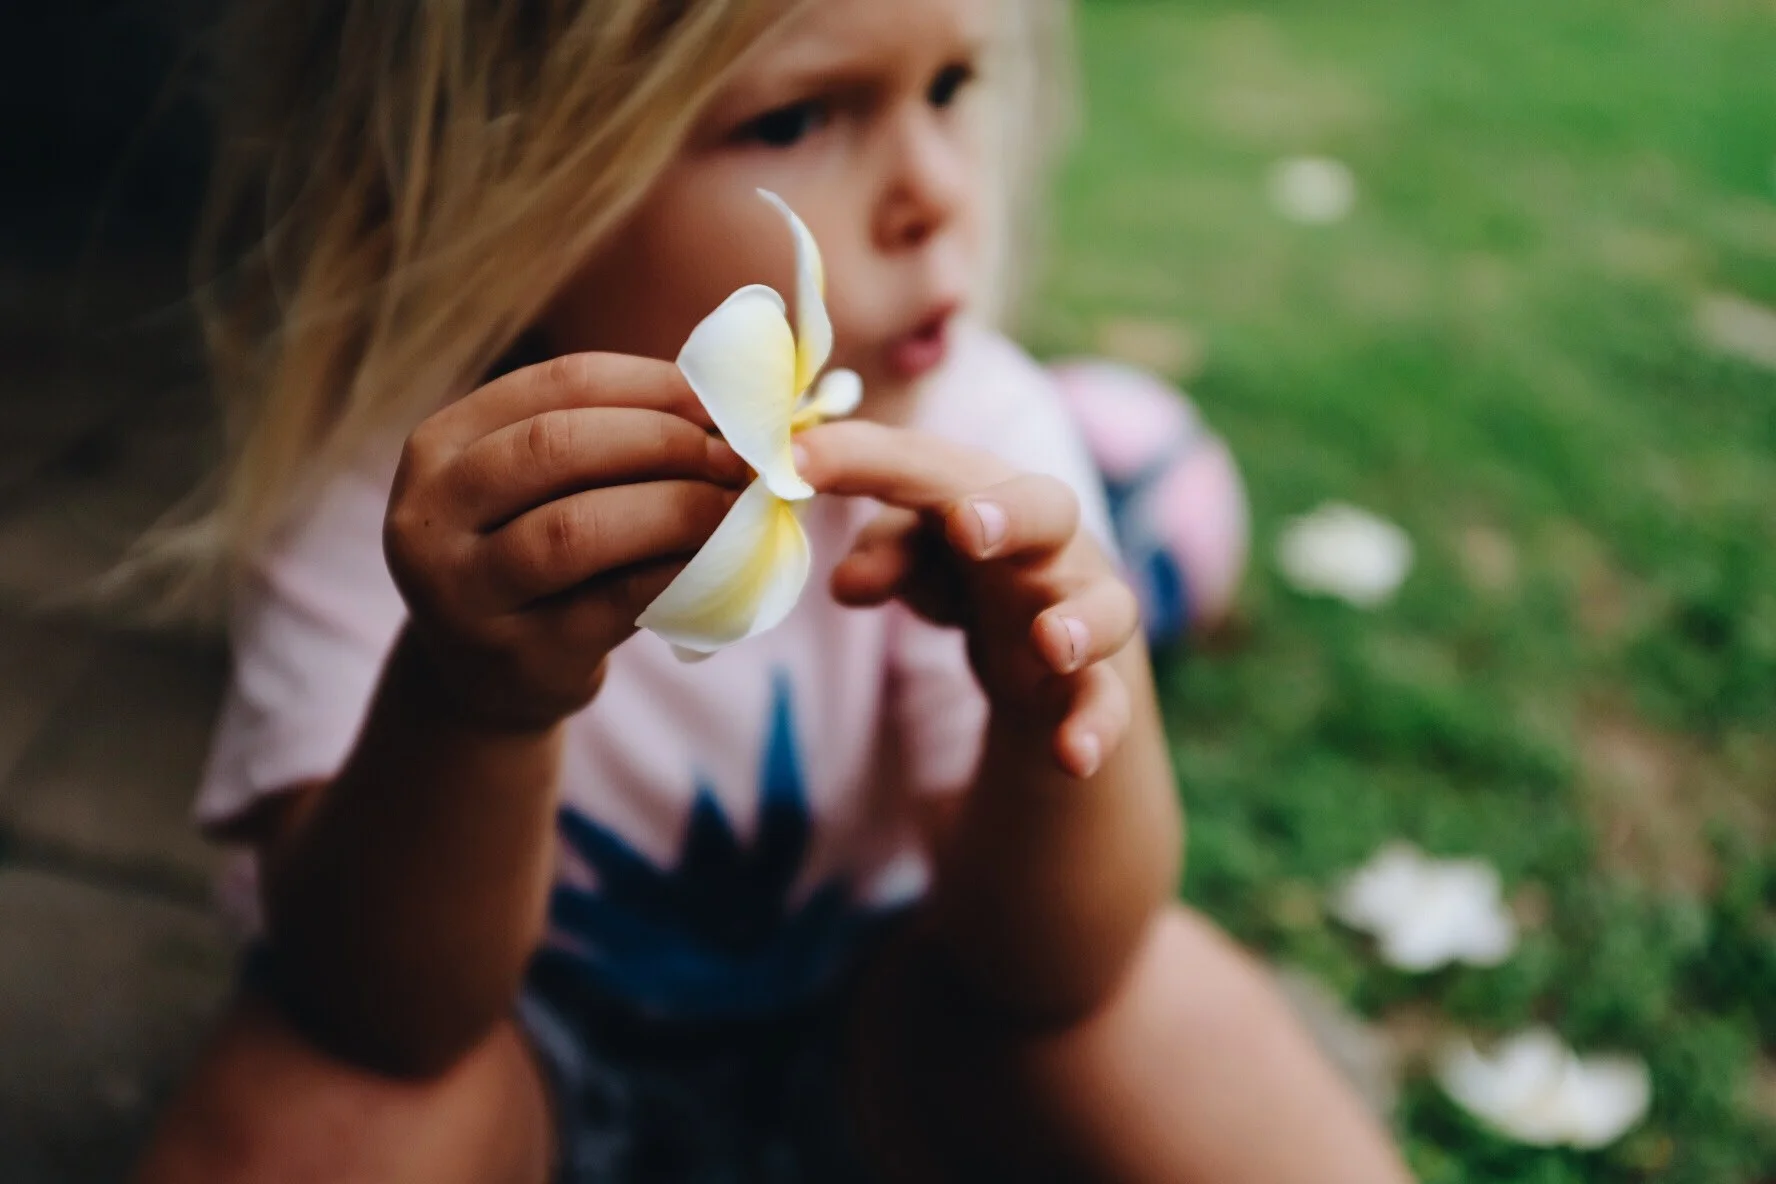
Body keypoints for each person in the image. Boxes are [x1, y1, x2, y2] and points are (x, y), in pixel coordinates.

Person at [135, 0, 1411, 1180]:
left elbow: (1056, 969)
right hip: (513, 1056)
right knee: (320, 1102)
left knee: (1167, 1009)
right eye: (797, 117)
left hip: (888, 1026)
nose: (937, 189)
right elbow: (380, 1010)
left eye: (953, 85)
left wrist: (1054, 712)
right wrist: (467, 702)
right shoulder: (408, 495)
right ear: (519, 183)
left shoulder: (977, 433)